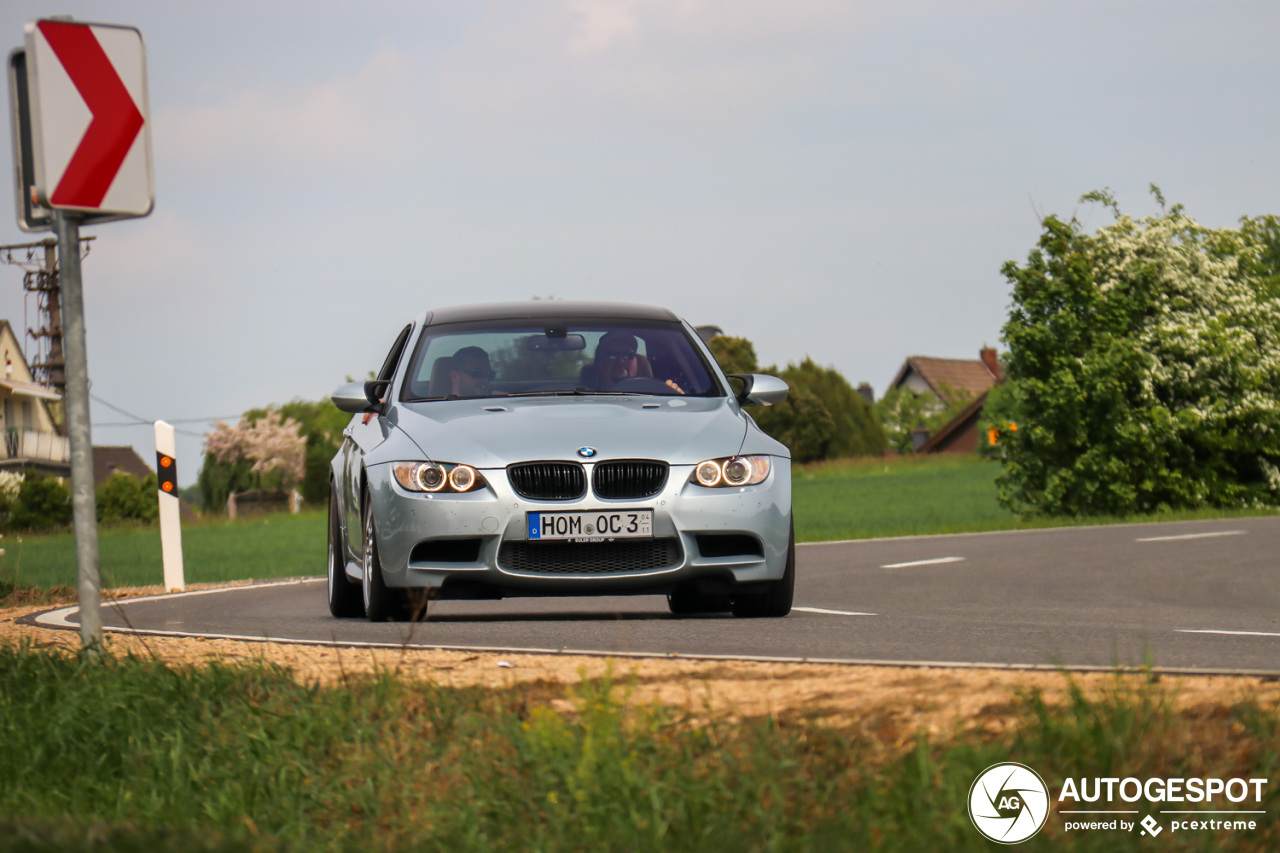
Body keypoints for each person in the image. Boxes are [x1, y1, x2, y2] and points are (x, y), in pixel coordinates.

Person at [591, 331, 683, 393]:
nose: (621, 360)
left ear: (637, 364)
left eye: (628, 355)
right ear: (598, 365)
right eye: (612, 355)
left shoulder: (657, 398)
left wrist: (676, 399)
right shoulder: (584, 400)